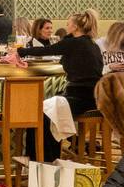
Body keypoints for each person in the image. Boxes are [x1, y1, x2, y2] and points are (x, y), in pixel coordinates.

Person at [6, 11, 103, 162]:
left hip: (79, 97)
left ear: (76, 27)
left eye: (69, 23)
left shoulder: (73, 43)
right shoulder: (92, 44)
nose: (66, 25)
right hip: (93, 97)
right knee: (47, 113)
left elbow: (46, 50)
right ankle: (47, 159)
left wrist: (20, 51)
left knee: (39, 114)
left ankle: (38, 161)